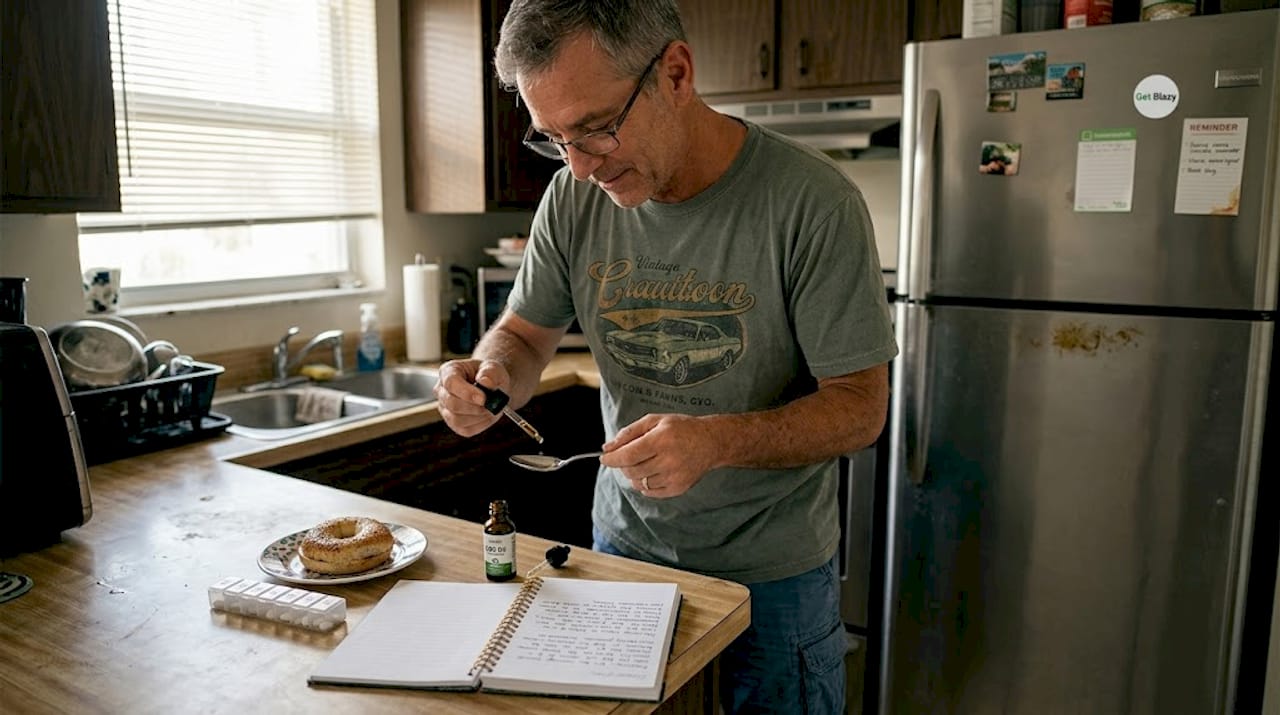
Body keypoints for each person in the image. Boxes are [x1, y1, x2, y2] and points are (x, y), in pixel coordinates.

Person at [432, 1, 897, 712]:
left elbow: (861, 408)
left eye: (596, 129)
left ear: (675, 73)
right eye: (555, 139)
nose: (581, 168)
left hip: (770, 580)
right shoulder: (571, 199)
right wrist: (491, 372)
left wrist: (717, 441)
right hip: (622, 557)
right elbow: (524, 337)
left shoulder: (813, 202)